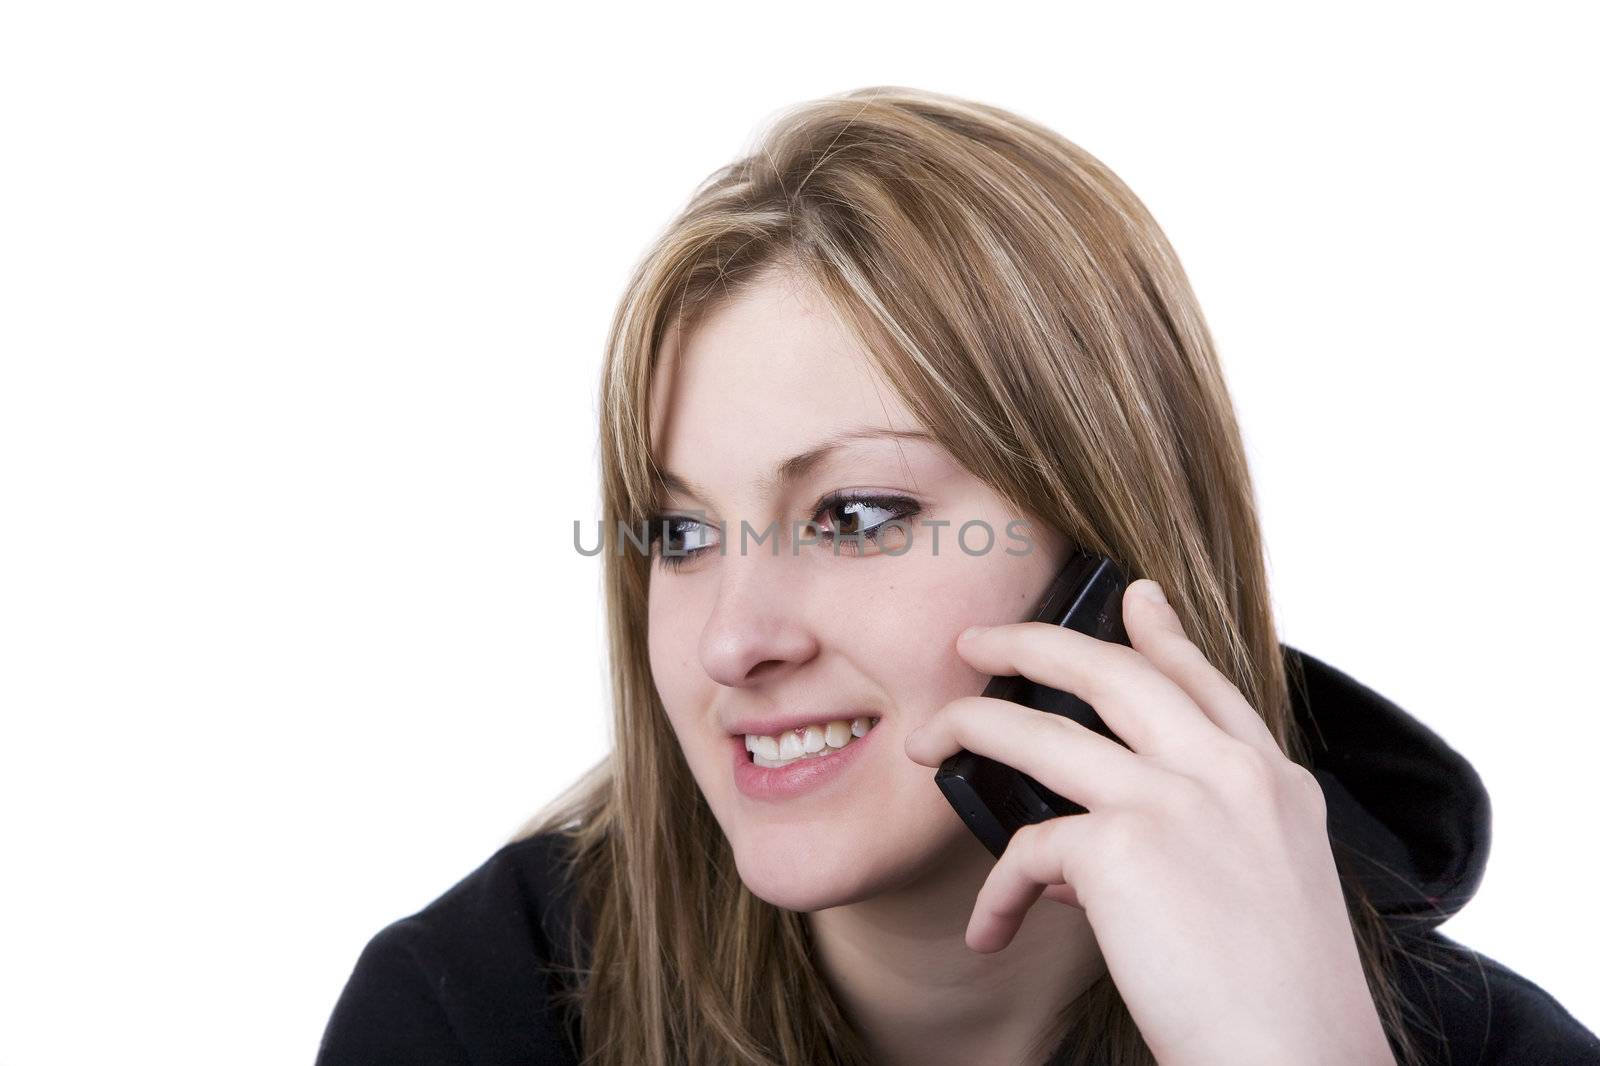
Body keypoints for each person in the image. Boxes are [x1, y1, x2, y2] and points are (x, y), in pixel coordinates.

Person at [315, 86, 1599, 1065]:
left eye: (856, 514)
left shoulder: (1466, 1047)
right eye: (680, 534)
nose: (732, 643)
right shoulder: (479, 1007)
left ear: (1108, 548)